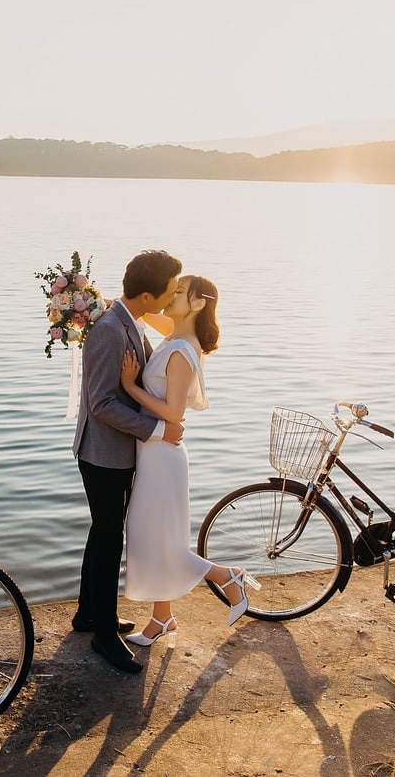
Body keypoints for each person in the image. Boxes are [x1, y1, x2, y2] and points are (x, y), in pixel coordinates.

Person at [120, 274, 259, 646]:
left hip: (163, 457)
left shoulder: (182, 351)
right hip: (153, 453)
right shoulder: (176, 333)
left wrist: (132, 387)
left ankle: (227, 576)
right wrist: (106, 302)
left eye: (179, 292)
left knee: (159, 540)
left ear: (197, 304)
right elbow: (146, 313)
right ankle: (161, 619)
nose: (171, 295)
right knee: (152, 535)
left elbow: (175, 413)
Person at [73, 249, 184, 674]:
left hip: (117, 451)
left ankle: (88, 614)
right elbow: (100, 403)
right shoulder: (109, 330)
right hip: (103, 454)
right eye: (169, 290)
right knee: (109, 539)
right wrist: (157, 430)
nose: (172, 296)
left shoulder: (130, 320)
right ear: (145, 294)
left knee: (103, 533)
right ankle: (104, 634)